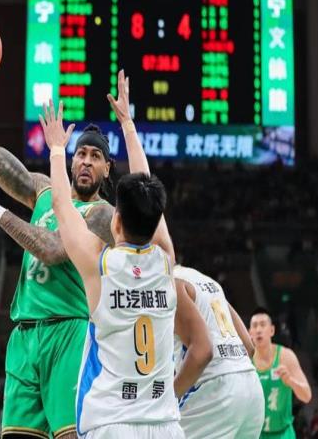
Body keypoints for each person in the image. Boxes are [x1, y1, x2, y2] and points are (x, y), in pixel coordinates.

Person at [0, 21, 114, 439]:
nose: (86, 161)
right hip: (24, 334)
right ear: (70, 160)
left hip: (69, 331)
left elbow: (54, 250)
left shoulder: (101, 214)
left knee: (70, 435)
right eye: (81, 154)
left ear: (107, 169)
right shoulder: (43, 189)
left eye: (95, 157)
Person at [38, 71, 212, 438]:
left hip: (110, 424)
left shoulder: (100, 265)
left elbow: (60, 204)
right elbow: (146, 188)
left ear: (116, 222)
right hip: (165, 426)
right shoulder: (166, 261)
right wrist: (128, 125)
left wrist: (56, 149)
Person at [173, 265, 264, 438]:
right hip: (251, 387)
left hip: (214, 390)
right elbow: (249, 346)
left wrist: (169, 398)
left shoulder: (168, 285)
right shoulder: (210, 283)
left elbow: (202, 352)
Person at [250, 307, 312, 438]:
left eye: (262, 325)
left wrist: (291, 381)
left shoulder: (286, 356)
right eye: (254, 326)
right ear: (250, 332)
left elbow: (307, 396)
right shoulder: (246, 361)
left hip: (283, 434)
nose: (258, 330)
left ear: (272, 330)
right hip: (256, 434)